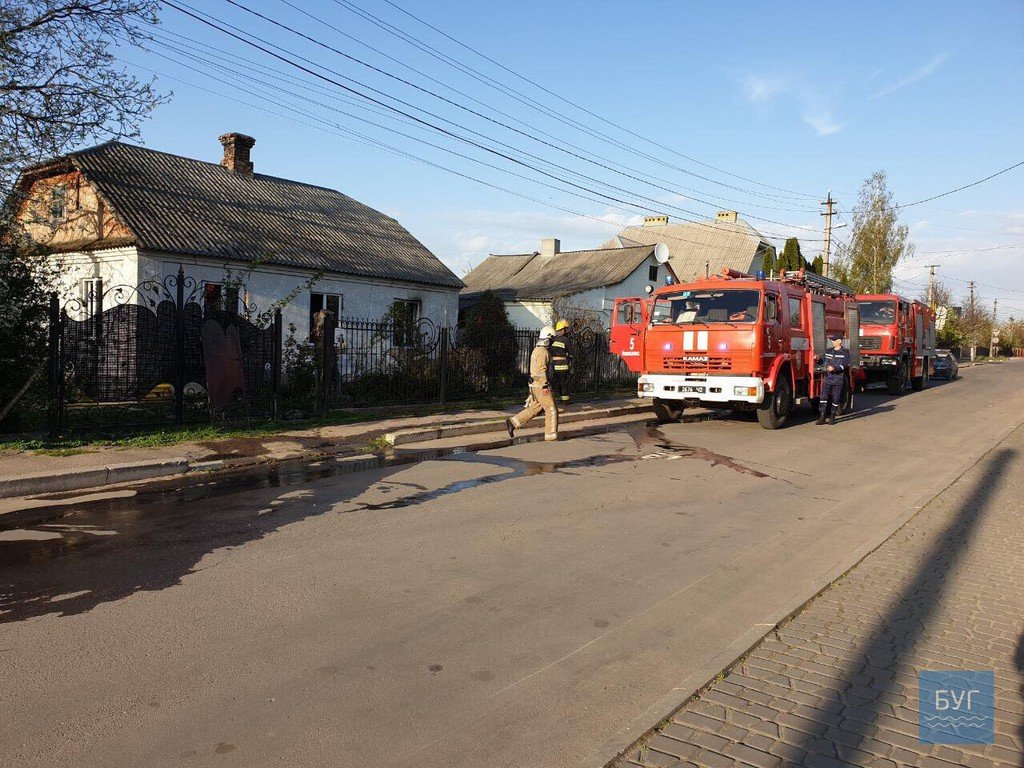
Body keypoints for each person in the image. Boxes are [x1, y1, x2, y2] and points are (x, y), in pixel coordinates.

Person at [506, 326, 559, 441]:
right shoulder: (542, 352)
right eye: (552, 339)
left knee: (535, 408)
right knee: (551, 409)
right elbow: (541, 370)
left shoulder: (538, 350)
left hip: (535, 385)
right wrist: (545, 385)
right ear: (548, 338)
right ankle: (551, 435)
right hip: (541, 386)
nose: (552, 342)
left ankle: (513, 422)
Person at [816, 333, 851, 425]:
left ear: (839, 341)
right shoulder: (829, 351)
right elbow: (822, 361)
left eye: (834, 340)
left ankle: (832, 417)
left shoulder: (845, 352)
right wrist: (817, 359)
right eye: (832, 340)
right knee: (823, 397)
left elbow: (845, 365)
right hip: (827, 378)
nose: (832, 341)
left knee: (835, 399)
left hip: (838, 379)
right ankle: (822, 417)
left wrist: (835, 368)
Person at [549, 319, 572, 405]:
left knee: (553, 384)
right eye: (566, 329)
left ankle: (550, 401)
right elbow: (571, 352)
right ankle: (565, 401)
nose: (567, 331)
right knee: (563, 384)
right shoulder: (565, 339)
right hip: (563, 367)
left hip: (553, 367)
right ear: (563, 330)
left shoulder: (552, 339)